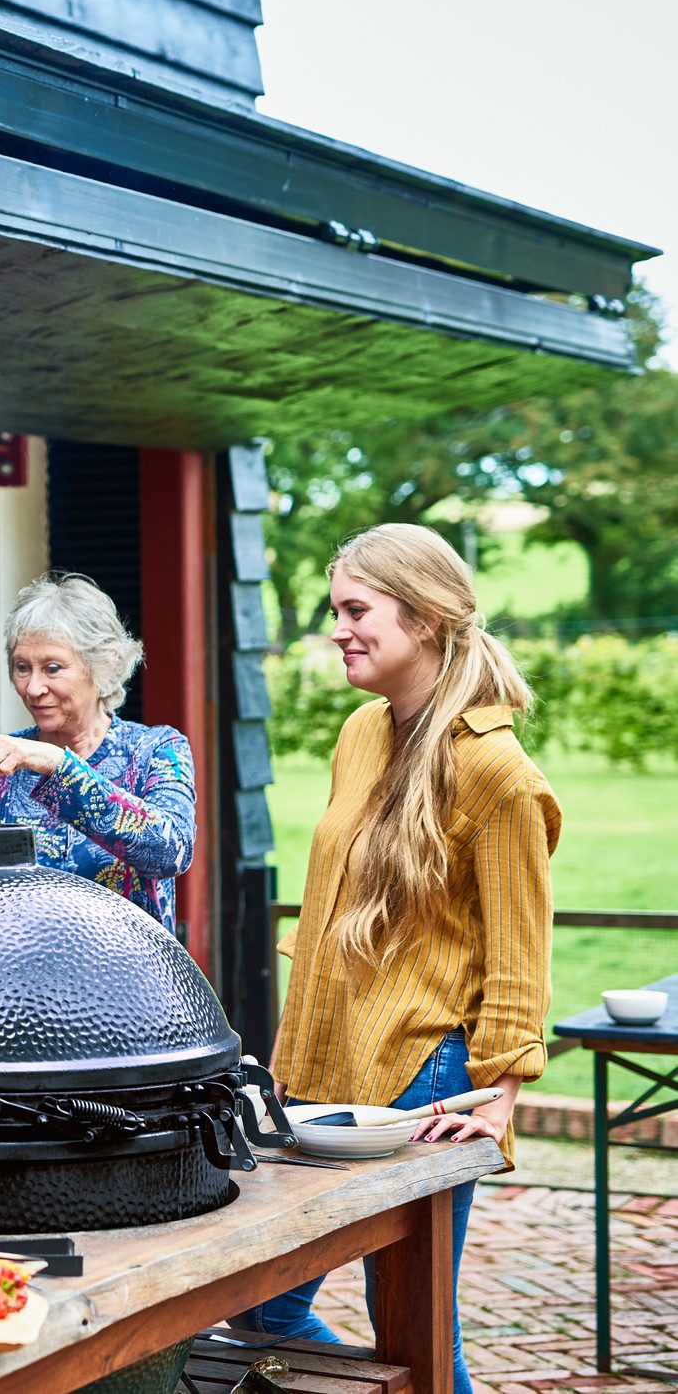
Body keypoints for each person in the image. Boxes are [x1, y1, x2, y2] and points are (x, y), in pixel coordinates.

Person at [246, 524, 559, 1394]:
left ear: (421, 619)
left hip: (421, 1082)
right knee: (262, 1308)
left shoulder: (495, 773)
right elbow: (327, 917)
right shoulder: (360, 733)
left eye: (355, 610)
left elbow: (519, 952)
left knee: (413, 1326)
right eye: (334, 609)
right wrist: (287, 1063)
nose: (337, 628)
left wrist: (498, 1095)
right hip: (322, 1065)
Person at [0, 573, 196, 932]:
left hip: (124, 980)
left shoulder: (155, 750)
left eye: (53, 668)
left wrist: (59, 764)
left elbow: (171, 851)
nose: (33, 687)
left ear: (104, 666)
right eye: (22, 667)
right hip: (14, 982)